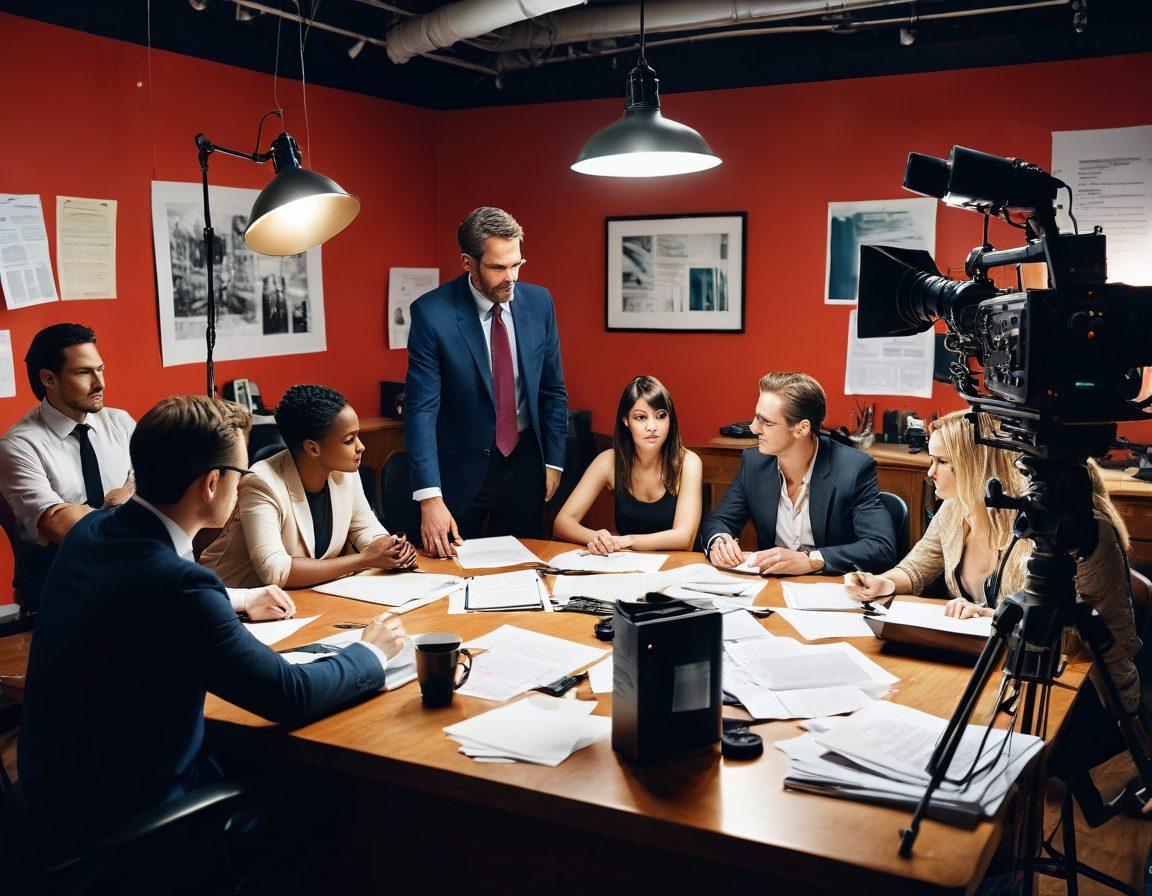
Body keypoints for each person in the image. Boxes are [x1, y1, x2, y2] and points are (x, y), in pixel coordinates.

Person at [17, 395, 411, 872]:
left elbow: (142, 596)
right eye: (241, 475)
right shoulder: (181, 585)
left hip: (53, 798)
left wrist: (242, 598)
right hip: (135, 818)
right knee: (332, 795)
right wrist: (368, 653)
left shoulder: (94, 532)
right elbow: (291, 695)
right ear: (211, 484)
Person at [846, 410, 1146, 714]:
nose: (930, 472)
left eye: (942, 462)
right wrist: (884, 581)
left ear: (977, 465)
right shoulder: (955, 508)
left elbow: (1100, 641)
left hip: (1081, 694)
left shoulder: (1066, 529)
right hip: (1000, 669)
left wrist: (997, 620)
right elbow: (917, 566)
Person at [405, 206, 568, 557]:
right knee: (449, 573)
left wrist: (553, 461)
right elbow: (420, 411)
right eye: (498, 267)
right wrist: (430, 497)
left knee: (521, 567)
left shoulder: (540, 303)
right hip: (459, 472)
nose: (510, 277)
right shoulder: (431, 314)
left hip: (526, 464)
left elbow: (552, 390)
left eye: (516, 264)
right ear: (468, 263)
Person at [200, 384, 417, 588]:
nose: (361, 447)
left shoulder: (344, 472)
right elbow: (275, 571)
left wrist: (391, 548)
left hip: (298, 600)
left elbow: (364, 528)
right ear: (313, 449)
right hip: (233, 600)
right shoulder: (261, 482)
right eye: (349, 439)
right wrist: (363, 560)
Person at [701, 372, 896, 576]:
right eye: (756, 418)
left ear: (802, 429)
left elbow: (881, 548)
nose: (753, 428)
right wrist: (718, 540)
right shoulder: (754, 464)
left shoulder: (853, 469)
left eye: (766, 422)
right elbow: (718, 521)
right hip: (770, 589)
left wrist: (811, 560)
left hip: (829, 591)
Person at [0, 324, 135, 611]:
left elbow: (160, 484)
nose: (100, 384)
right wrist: (124, 502)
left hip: (131, 564)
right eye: (84, 373)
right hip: (62, 580)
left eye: (101, 369)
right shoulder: (18, 446)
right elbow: (61, 527)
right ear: (49, 379)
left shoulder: (121, 423)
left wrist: (109, 502)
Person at [553, 375, 702, 553]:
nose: (652, 426)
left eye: (660, 416)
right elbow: (562, 523)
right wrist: (600, 539)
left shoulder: (689, 463)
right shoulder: (609, 461)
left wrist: (626, 541)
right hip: (626, 566)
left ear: (670, 420)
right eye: (641, 417)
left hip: (675, 567)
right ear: (626, 421)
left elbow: (684, 538)